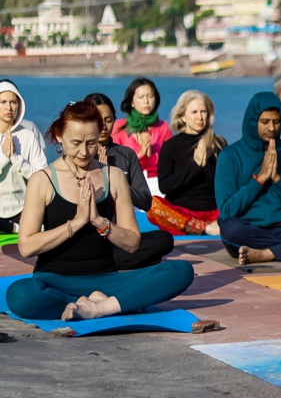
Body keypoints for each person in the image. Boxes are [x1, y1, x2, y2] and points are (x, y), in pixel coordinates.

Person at [5, 100, 194, 321]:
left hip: (107, 279)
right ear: (59, 136)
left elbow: (132, 243)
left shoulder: (113, 176)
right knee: (19, 295)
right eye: (75, 143)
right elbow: (26, 247)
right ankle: (107, 305)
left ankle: (98, 308)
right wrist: (75, 224)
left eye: (91, 143)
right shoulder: (42, 180)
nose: (84, 152)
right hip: (55, 280)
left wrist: (98, 221)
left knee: (180, 271)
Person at [215, 92, 281, 265]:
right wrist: (259, 180)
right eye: (265, 122)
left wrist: (278, 179)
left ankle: (268, 253)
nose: (272, 128)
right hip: (249, 230)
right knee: (230, 229)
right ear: (252, 121)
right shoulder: (230, 156)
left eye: (277, 121)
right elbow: (227, 210)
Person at [83, 92, 175, 269]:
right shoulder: (80, 155)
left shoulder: (125, 155)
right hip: (88, 235)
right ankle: (117, 261)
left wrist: (112, 177)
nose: (103, 126)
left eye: (108, 120)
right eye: (97, 119)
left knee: (164, 240)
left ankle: (107, 262)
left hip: (119, 236)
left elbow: (145, 201)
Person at [150, 90, 224, 236]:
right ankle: (203, 228)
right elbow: (165, 186)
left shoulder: (218, 143)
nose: (200, 117)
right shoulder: (171, 146)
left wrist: (206, 162)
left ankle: (211, 225)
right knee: (153, 206)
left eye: (203, 112)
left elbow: (222, 184)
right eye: (194, 112)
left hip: (213, 212)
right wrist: (195, 165)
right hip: (182, 214)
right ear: (183, 116)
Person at [0, 80, 48, 234]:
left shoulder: (27, 135)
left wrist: (16, 159)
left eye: (13, 102)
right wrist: (4, 158)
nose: (9, 107)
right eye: (3, 102)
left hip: (23, 211)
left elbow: (43, 177)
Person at [110, 77, 172, 179]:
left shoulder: (163, 127)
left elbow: (169, 163)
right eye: (141, 97)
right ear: (132, 102)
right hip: (129, 183)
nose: (146, 101)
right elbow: (116, 163)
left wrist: (151, 153)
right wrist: (142, 154)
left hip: (157, 183)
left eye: (150, 96)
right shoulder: (120, 127)